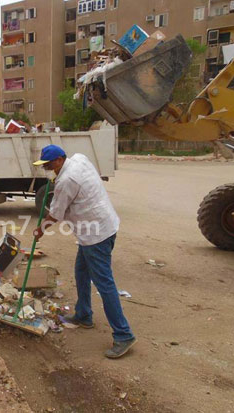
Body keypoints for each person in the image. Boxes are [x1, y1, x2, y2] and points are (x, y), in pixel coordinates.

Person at [33, 145, 136, 359]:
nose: (48, 169)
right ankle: (84, 315)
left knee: (104, 284)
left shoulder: (65, 181)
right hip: (102, 226)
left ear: (60, 159)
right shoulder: (79, 158)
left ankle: (123, 334)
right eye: (45, 166)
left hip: (95, 235)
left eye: (50, 164)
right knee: (81, 271)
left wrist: (40, 230)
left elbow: (55, 214)